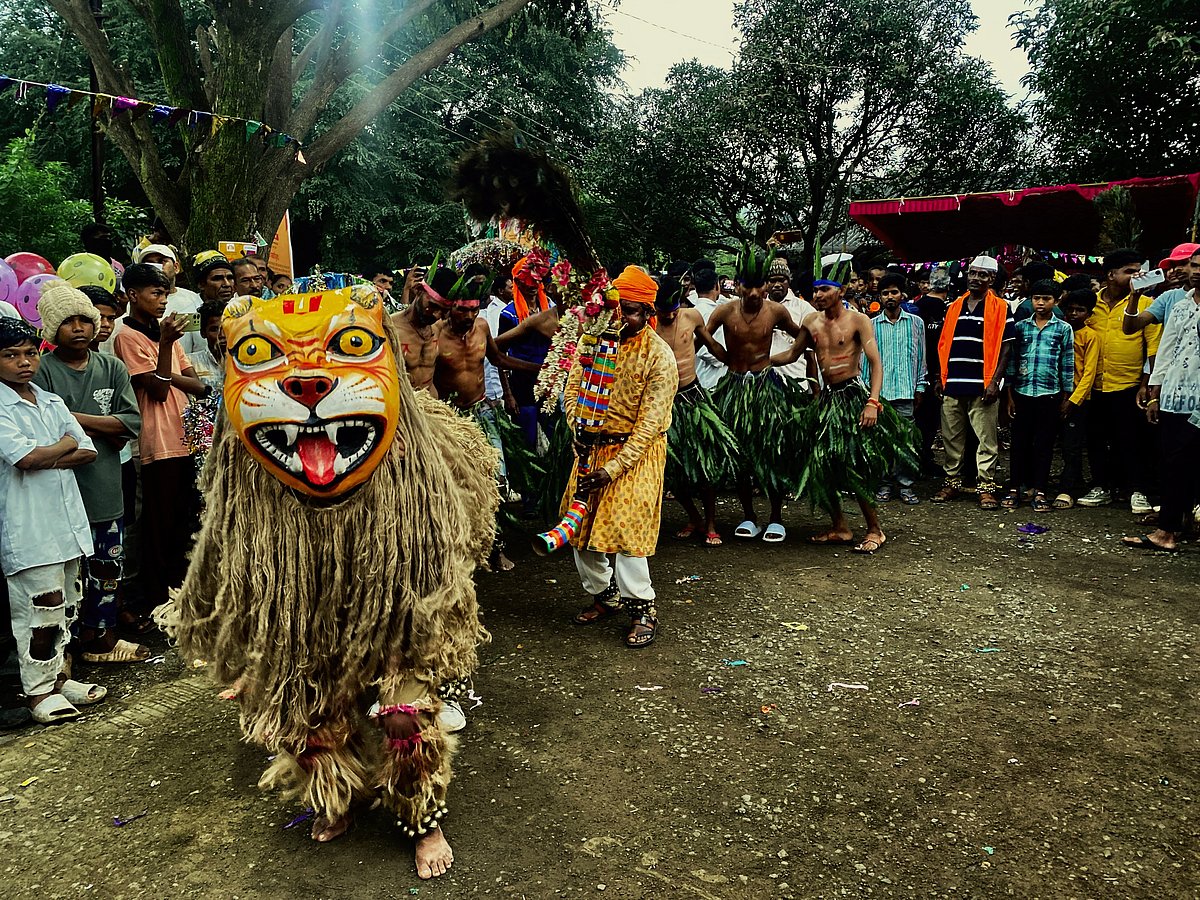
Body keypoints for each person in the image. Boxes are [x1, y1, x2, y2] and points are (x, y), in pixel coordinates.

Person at [167, 284, 498, 878]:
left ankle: (423, 820)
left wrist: (420, 645)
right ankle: (336, 795)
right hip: (304, 621)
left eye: (349, 345)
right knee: (304, 713)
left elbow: (442, 583)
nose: (307, 382)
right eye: (263, 357)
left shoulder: (418, 482)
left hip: (396, 610)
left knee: (403, 717)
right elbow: (224, 578)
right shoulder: (247, 493)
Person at [33, 283, 147, 664]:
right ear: (52, 329)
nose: (79, 328)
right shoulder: (42, 371)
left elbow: (129, 423)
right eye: (69, 322)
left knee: (106, 565)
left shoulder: (112, 368)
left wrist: (72, 419)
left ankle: (102, 641)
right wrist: (102, 424)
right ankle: (63, 651)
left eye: (86, 319)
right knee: (65, 573)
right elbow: (46, 431)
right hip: (61, 492)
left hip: (104, 487)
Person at [0, 316, 106, 724]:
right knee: (38, 610)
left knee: (68, 604)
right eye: (10, 355)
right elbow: (25, 459)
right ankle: (38, 691)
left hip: (66, 522)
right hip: (30, 527)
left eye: (30, 353)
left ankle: (59, 678)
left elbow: (89, 450)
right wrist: (65, 443)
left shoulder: (49, 400)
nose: (23, 362)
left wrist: (52, 451)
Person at [566, 267, 677, 648]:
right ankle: (604, 596)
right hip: (592, 447)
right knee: (578, 531)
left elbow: (649, 426)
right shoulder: (593, 340)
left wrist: (612, 468)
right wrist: (575, 432)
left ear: (648, 314)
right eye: (617, 309)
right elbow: (572, 389)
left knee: (628, 534)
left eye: (631, 311)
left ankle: (642, 609)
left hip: (638, 453)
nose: (621, 318)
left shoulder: (659, 357)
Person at [791, 278, 916, 553]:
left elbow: (875, 363)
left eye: (825, 289)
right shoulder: (811, 321)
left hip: (851, 396)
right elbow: (792, 354)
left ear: (841, 291)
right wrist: (757, 360)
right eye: (815, 290)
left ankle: (875, 529)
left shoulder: (858, 320)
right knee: (822, 466)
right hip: (827, 399)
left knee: (854, 465)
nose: (818, 295)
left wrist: (872, 402)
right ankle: (840, 527)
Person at [112, 263, 208, 621]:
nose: (162, 300)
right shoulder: (127, 336)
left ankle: (179, 593)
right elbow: (159, 388)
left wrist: (165, 357)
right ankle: (154, 600)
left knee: (184, 520)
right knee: (158, 523)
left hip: (184, 436)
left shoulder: (164, 334)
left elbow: (198, 385)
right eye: (155, 293)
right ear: (133, 295)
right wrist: (165, 347)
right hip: (156, 441)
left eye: (166, 293)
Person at [433, 281, 539, 570]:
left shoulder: (481, 327)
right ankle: (459, 549)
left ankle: (496, 548)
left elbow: (499, 360)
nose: (468, 317)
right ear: (450, 307)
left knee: (497, 480)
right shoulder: (435, 336)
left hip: (485, 412)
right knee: (454, 484)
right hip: (451, 418)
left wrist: (514, 388)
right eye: (462, 310)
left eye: (473, 309)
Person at [706, 248, 810, 542]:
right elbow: (703, 333)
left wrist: (784, 358)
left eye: (759, 285)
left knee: (771, 452)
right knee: (740, 455)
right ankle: (749, 516)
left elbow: (801, 333)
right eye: (747, 286)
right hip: (734, 387)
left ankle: (776, 517)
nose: (754, 292)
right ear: (736, 285)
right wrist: (725, 357)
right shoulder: (725, 311)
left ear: (765, 286)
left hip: (767, 387)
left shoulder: (776, 311)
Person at [653, 276, 738, 546]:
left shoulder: (691, 316)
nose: (668, 316)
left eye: (672, 311)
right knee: (671, 468)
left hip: (694, 397)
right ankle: (694, 517)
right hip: (665, 401)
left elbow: (710, 344)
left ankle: (711, 523)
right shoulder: (648, 326)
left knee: (705, 466)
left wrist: (734, 365)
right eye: (662, 311)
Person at [1123, 257, 1200, 551]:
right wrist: (1155, 393)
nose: (1194, 271)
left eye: (1199, 266)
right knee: (1172, 464)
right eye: (1193, 265)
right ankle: (1168, 530)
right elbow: (1167, 351)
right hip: (1175, 398)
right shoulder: (1179, 304)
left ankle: (1174, 528)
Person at [1077, 249, 1161, 512]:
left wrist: (1146, 384)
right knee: (1096, 438)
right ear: (1111, 275)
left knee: (1131, 440)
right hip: (1093, 385)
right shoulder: (1091, 303)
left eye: (1138, 270)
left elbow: (1153, 349)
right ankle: (1101, 486)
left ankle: (1137, 491)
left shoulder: (1146, 305)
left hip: (1129, 386)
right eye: (1129, 271)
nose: (1136, 276)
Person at [931, 255, 1014, 510]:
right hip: (953, 381)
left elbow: (1007, 347)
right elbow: (944, 343)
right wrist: (939, 377)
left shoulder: (1001, 307)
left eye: (982, 275)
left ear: (991, 279)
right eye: (973, 273)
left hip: (982, 384)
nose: (976, 278)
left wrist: (995, 382)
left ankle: (986, 487)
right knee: (951, 437)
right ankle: (952, 482)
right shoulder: (954, 305)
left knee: (986, 439)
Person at [1002, 280, 1074, 511]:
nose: (1041, 303)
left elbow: (1067, 363)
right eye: (1036, 298)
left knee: (1044, 444)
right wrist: (1010, 394)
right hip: (1022, 392)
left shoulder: (1063, 329)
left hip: (1049, 394)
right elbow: (1012, 361)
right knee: (1019, 442)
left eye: (1046, 299)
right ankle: (1015, 488)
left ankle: (1040, 490)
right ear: (1030, 300)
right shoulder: (1021, 327)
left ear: (1056, 300)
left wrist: (1066, 396)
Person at [862, 273, 925, 503]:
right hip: (880, 394)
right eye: (885, 293)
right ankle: (884, 484)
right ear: (879, 296)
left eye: (894, 292)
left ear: (902, 294)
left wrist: (920, 386)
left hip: (906, 391)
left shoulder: (916, 323)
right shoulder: (871, 325)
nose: (890, 297)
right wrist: (868, 393)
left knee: (906, 441)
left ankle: (906, 485)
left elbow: (920, 357)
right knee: (881, 442)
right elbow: (866, 361)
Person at [1055, 290, 1100, 509]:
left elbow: (1089, 373)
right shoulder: (1060, 331)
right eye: (1070, 309)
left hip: (1078, 399)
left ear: (1089, 313)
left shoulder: (1090, 336)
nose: (1074, 314)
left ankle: (1068, 489)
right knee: (1060, 444)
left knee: (1073, 445)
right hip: (1055, 394)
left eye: (1080, 310)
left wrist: (1073, 400)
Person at [390, 265, 454, 395]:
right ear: (418, 290)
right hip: (403, 408)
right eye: (432, 306)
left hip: (431, 405)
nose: (436, 315)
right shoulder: (391, 329)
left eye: (443, 311)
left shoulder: (437, 327)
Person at [911, 265, 950, 475]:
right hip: (935, 372)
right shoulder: (947, 310)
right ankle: (922, 459)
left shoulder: (915, 307)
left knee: (919, 419)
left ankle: (921, 458)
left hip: (916, 370)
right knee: (929, 420)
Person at [765, 256, 818, 387]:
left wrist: (815, 390)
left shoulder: (803, 308)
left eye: (781, 280)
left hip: (795, 380)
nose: (777, 284)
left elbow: (811, 350)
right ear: (766, 284)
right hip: (763, 382)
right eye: (772, 281)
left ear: (788, 282)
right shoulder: (757, 308)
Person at [690, 266, 729, 390]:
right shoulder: (708, 312)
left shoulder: (694, 311)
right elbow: (702, 349)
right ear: (717, 286)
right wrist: (725, 359)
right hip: (711, 378)